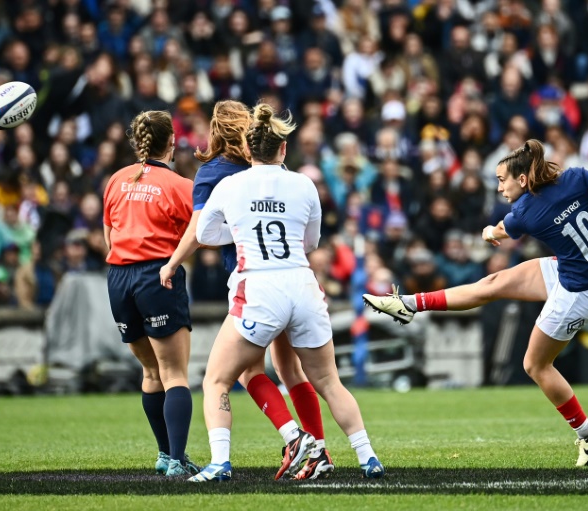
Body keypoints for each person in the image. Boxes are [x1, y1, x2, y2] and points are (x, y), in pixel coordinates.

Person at [364, 139, 588, 467]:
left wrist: (488, 232)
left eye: (502, 180)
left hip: (579, 292)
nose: (499, 188)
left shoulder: (526, 213)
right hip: (575, 270)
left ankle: (587, 432)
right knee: (492, 284)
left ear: (523, 180)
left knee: (535, 365)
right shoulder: (574, 176)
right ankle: (409, 304)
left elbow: (496, 233)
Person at [189, 103, 384, 482]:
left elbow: (204, 235)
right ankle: (367, 457)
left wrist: (242, 230)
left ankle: (221, 463)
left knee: (216, 379)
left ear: (247, 151)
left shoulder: (230, 184)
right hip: (301, 283)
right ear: (282, 150)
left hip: (259, 287)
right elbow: (310, 242)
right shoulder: (304, 183)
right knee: (328, 381)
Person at [158, 100, 334, 481]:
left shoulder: (215, 173)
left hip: (251, 284)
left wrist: (172, 262)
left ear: (215, 131)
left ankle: (291, 438)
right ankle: (319, 451)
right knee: (292, 372)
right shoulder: (271, 166)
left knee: (238, 373)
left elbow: (199, 230)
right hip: (295, 279)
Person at [102, 110, 200, 477]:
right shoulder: (179, 185)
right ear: (171, 143)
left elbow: (109, 235)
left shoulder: (116, 180)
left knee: (150, 371)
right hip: (156, 275)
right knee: (175, 373)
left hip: (118, 278)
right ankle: (177, 459)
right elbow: (201, 232)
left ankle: (163, 454)